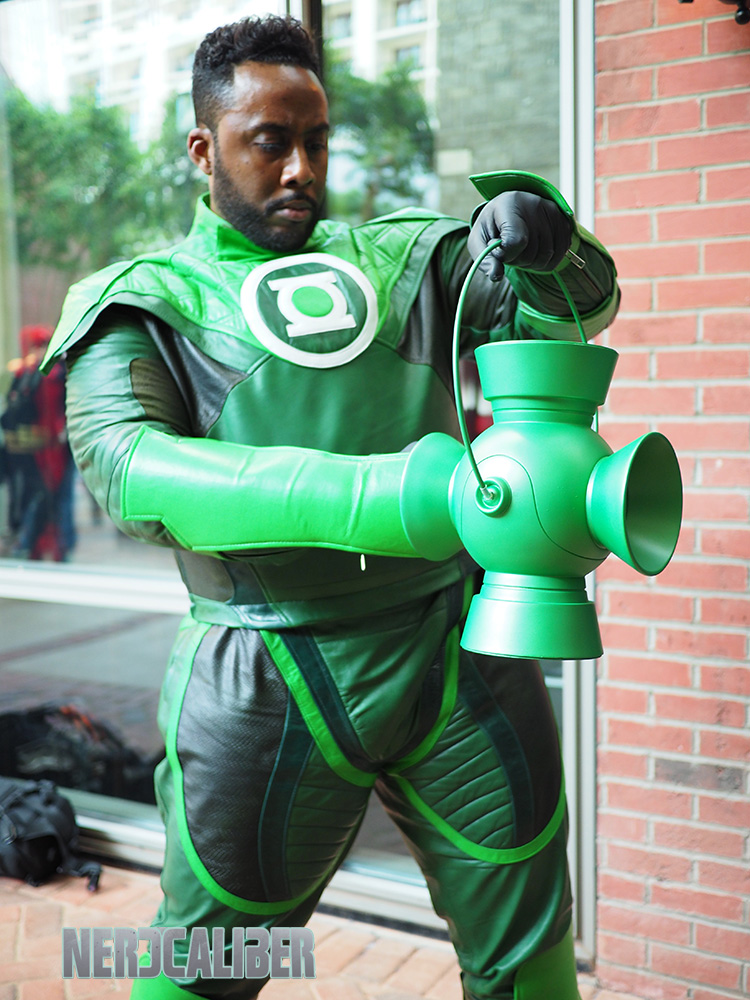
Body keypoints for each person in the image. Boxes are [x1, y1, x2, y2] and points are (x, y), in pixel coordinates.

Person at [43, 15, 619, 999]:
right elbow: (132, 473)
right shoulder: (145, 298)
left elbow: (575, 310)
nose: (301, 169)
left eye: (316, 141)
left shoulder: (407, 257)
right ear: (203, 149)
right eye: (270, 141)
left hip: (454, 649)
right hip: (267, 672)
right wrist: (401, 494)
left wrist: (550, 238)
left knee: (527, 950)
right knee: (209, 965)